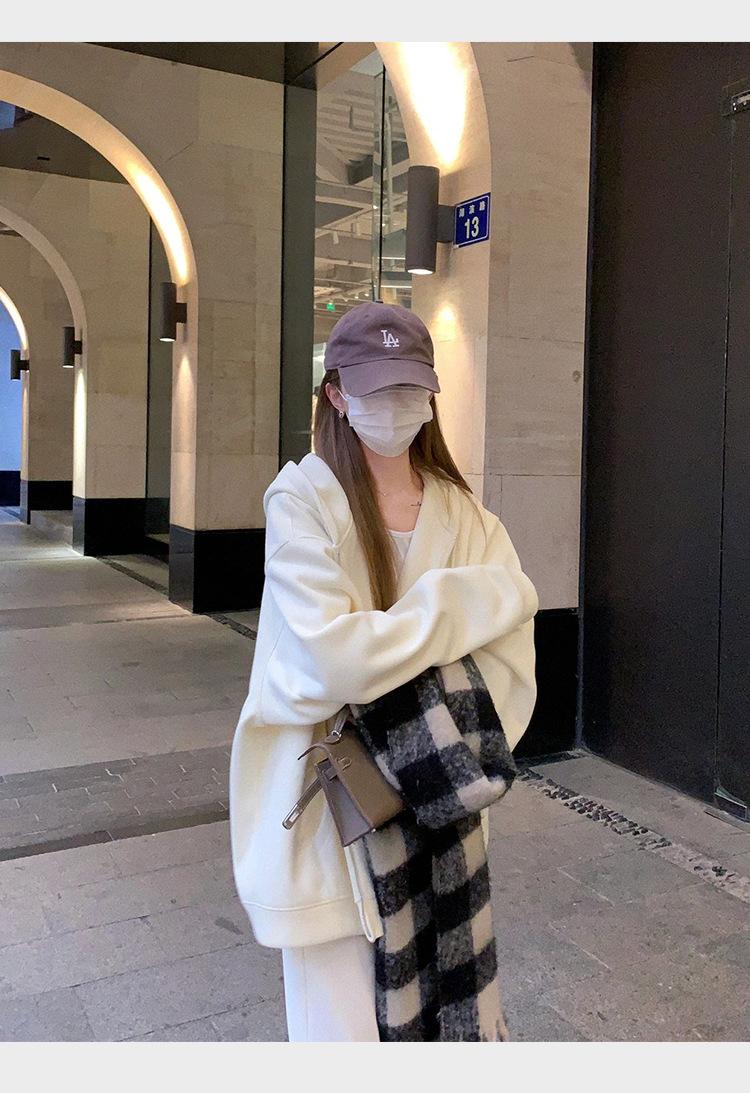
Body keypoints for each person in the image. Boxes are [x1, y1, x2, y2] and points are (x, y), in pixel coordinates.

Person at [229, 300, 539, 1042]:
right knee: (339, 1038)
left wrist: (384, 663)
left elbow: (513, 654)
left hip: (438, 809)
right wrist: (457, 604)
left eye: (409, 387)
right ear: (336, 394)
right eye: (375, 387)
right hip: (332, 812)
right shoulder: (304, 498)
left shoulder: (464, 513)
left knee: (446, 1022)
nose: (395, 404)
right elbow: (329, 656)